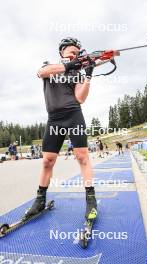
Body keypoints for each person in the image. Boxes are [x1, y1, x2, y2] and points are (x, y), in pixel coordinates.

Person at [25, 37, 97, 221]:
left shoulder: (78, 73)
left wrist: (87, 75)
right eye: (71, 52)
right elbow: (41, 73)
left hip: (73, 115)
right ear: (62, 52)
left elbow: (80, 98)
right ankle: (40, 199)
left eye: (77, 53)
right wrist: (71, 64)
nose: (75, 55)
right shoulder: (50, 67)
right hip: (54, 119)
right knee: (47, 161)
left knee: (82, 157)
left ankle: (91, 200)